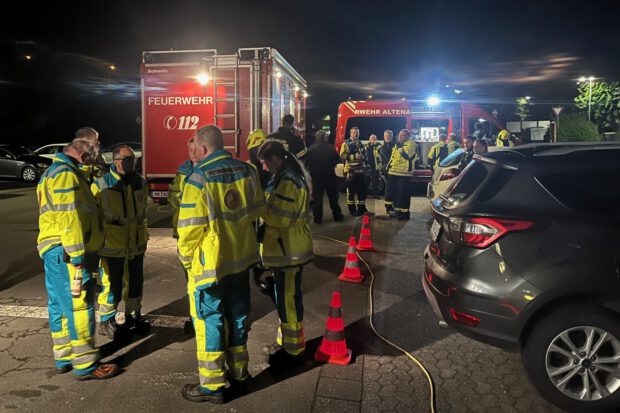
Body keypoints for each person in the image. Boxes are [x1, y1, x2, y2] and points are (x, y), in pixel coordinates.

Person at [178, 125, 265, 404]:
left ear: (203, 149)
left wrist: (186, 259)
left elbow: (190, 229)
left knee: (209, 320)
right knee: (238, 317)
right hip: (241, 261)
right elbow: (257, 211)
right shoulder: (247, 171)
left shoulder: (198, 178)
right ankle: (240, 375)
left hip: (211, 266)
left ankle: (213, 386)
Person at [37, 137, 118, 380]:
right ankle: (85, 364)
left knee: (58, 306)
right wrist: (78, 256)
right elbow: (69, 217)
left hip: (54, 251)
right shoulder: (66, 174)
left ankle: (63, 356)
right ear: (83, 156)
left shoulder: (52, 172)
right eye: (91, 160)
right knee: (79, 306)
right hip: (67, 253)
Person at [257, 140, 314, 370]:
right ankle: (287, 343)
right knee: (285, 298)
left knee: (288, 300)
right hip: (286, 247)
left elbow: (279, 217)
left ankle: (293, 352)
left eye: (264, 163)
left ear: (275, 160)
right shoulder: (286, 176)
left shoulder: (288, 180)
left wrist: (258, 206)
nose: (263, 168)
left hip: (288, 249)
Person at [93, 145, 150, 339]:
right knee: (112, 284)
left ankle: (133, 317)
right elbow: (92, 216)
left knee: (135, 283)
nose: (131, 163)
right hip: (111, 245)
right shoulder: (101, 184)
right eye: (127, 160)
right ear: (116, 160)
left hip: (136, 244)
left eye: (133, 160)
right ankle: (106, 320)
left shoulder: (140, 182)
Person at [167, 137, 201, 333]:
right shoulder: (183, 172)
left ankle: (203, 316)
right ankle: (194, 315)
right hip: (184, 233)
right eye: (190, 149)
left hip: (203, 234)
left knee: (203, 278)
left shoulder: (206, 170)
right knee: (190, 279)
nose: (193, 152)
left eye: (196, 148)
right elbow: (173, 197)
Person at [305, 130, 344, 224]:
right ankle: (337, 216)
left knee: (317, 198)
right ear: (324, 138)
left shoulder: (311, 149)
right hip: (330, 177)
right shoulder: (330, 148)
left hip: (316, 177)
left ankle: (318, 218)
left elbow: (307, 163)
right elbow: (337, 161)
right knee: (333, 197)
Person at [386, 129, 418, 220]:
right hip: (394, 172)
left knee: (403, 194)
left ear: (408, 136)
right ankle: (398, 211)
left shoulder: (411, 144)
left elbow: (406, 156)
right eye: (399, 135)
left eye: (403, 135)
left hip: (404, 174)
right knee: (397, 194)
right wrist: (387, 168)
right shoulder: (398, 145)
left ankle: (405, 213)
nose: (400, 137)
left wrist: (400, 147)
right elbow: (392, 158)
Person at [339, 126, 368, 216]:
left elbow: (365, 155)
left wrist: (364, 158)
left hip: (361, 171)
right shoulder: (346, 144)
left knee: (361, 191)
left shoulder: (361, 144)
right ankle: (352, 210)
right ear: (350, 133)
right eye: (354, 132)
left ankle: (361, 208)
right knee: (351, 192)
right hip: (351, 171)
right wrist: (354, 157)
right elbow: (342, 156)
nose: (356, 134)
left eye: (357, 132)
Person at [379, 130, 395, 213]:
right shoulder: (382, 148)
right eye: (386, 136)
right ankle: (388, 207)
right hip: (387, 171)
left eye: (389, 135)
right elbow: (387, 159)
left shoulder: (396, 146)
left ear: (392, 136)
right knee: (389, 189)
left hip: (396, 170)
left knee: (395, 189)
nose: (387, 137)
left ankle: (394, 206)